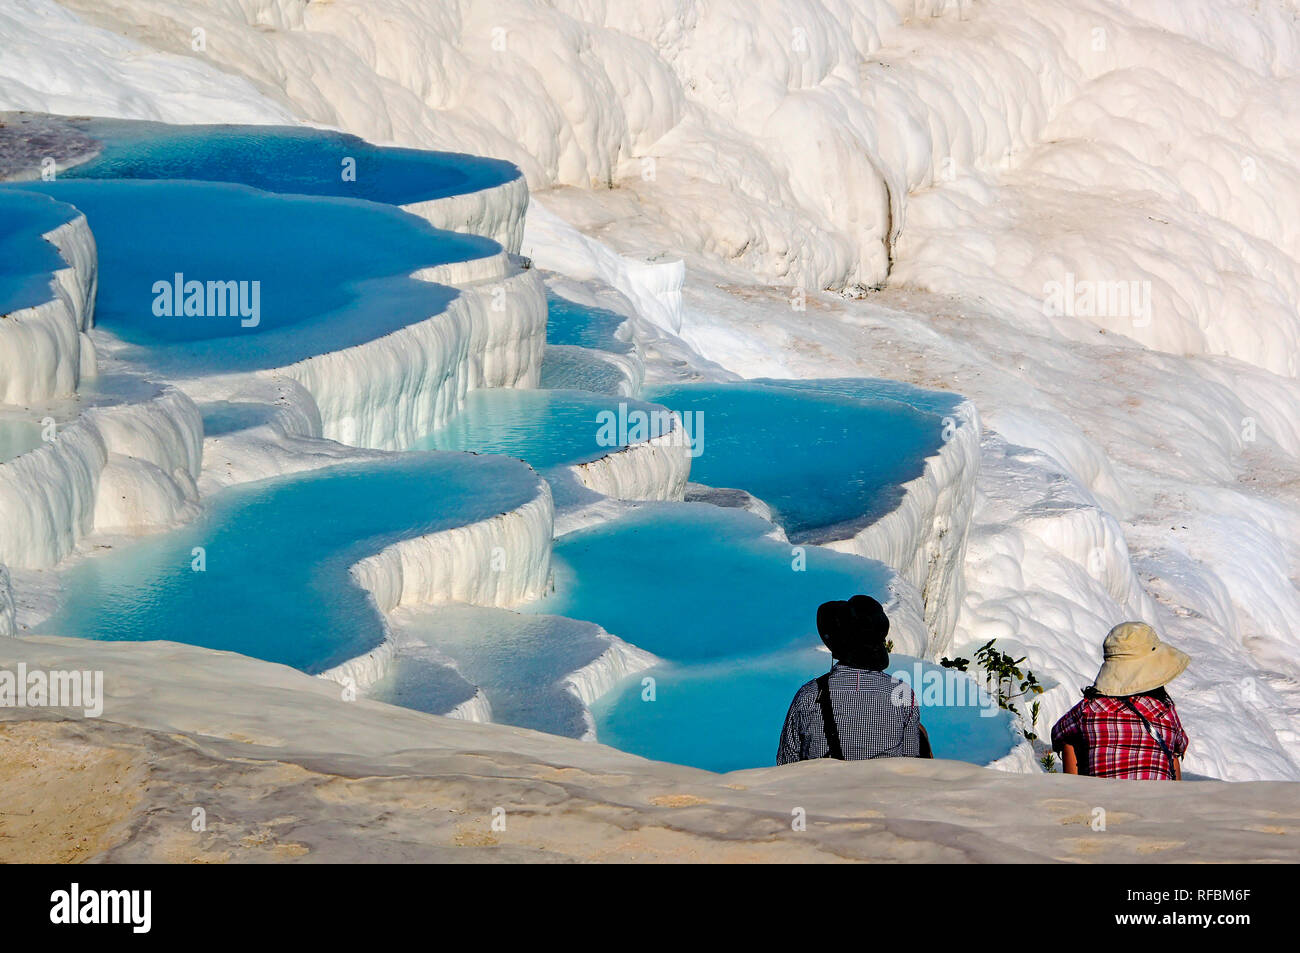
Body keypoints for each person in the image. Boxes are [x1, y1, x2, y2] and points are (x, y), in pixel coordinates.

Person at [777, 594, 932, 764]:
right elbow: (913, 763)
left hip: (822, 788)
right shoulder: (902, 694)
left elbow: (787, 763)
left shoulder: (809, 695)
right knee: (920, 732)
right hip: (885, 788)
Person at [1051, 621, 1189, 780]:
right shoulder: (1165, 712)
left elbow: (1058, 734)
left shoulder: (1088, 710)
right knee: (1171, 754)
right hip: (1158, 802)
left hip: (1102, 802)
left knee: (1072, 740)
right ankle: (1177, 795)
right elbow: (1180, 744)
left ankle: (1074, 793)